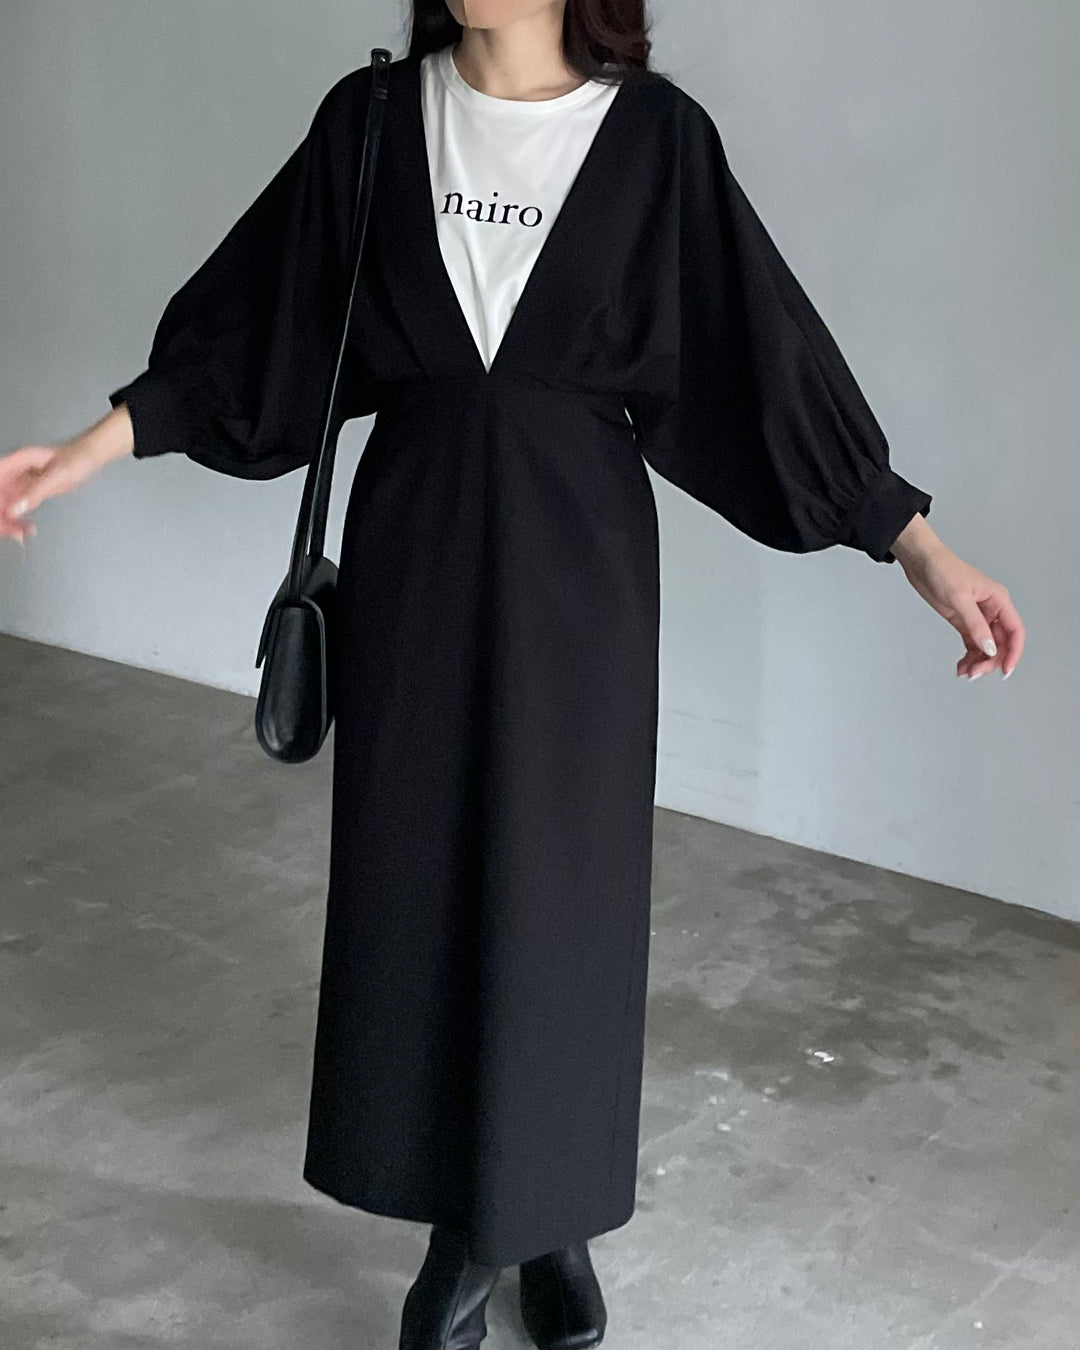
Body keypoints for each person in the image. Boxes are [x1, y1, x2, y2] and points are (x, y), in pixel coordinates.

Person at [0, 3, 1026, 1348]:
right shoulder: (374, 121)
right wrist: (79, 453)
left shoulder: (655, 140)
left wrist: (918, 547)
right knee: (420, 883)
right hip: (417, 556)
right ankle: (471, 1221)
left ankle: (537, 1220)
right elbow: (260, 322)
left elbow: (761, 361)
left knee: (566, 903)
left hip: (577, 574)